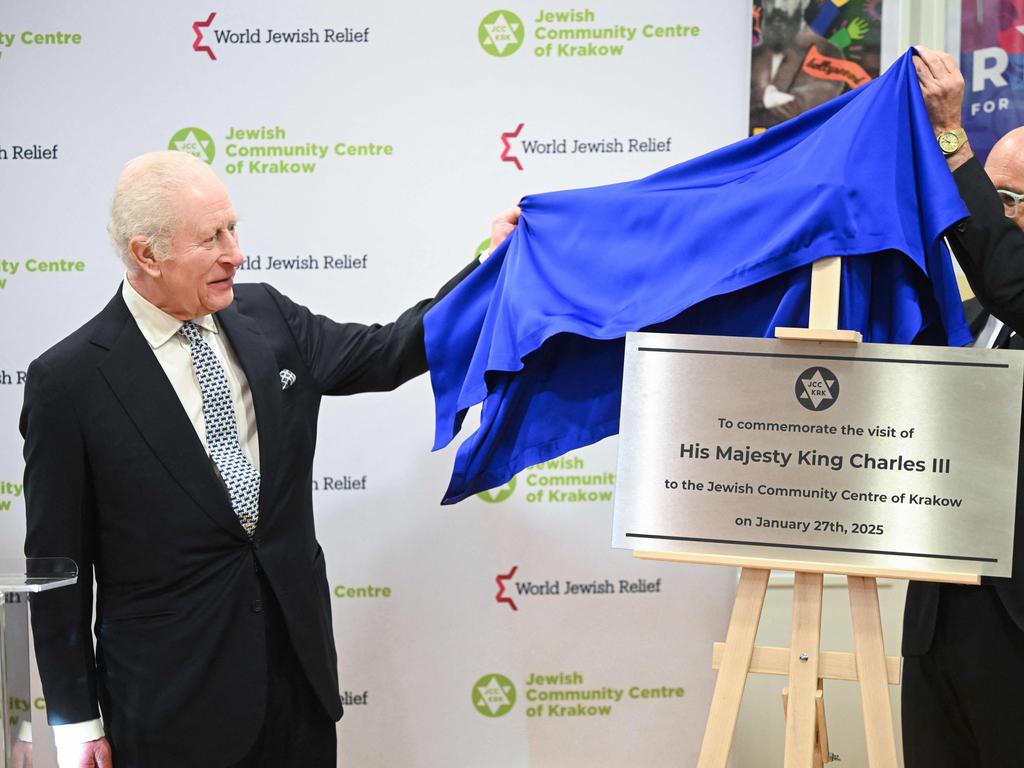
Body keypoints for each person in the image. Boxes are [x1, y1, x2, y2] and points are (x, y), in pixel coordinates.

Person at [20, 149, 520, 767]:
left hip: (296, 687)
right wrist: (75, 722)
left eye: (234, 228)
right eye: (211, 238)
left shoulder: (268, 316)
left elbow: (391, 351)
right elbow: (56, 573)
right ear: (147, 254)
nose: (236, 252)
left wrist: (491, 268)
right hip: (170, 710)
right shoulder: (69, 382)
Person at [905, 46, 1024, 766]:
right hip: (937, 618)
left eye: (1011, 199)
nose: (999, 214)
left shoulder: (1010, 290)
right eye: (998, 199)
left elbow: (1009, 272)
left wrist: (952, 138)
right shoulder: (971, 314)